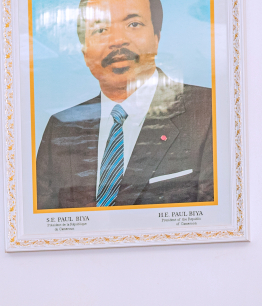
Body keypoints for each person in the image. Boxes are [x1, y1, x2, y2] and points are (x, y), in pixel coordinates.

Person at [35, 0, 214, 210]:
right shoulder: (61, 126)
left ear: (157, 38)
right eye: (100, 29)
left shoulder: (209, 110)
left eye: (134, 24)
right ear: (84, 53)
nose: (117, 40)